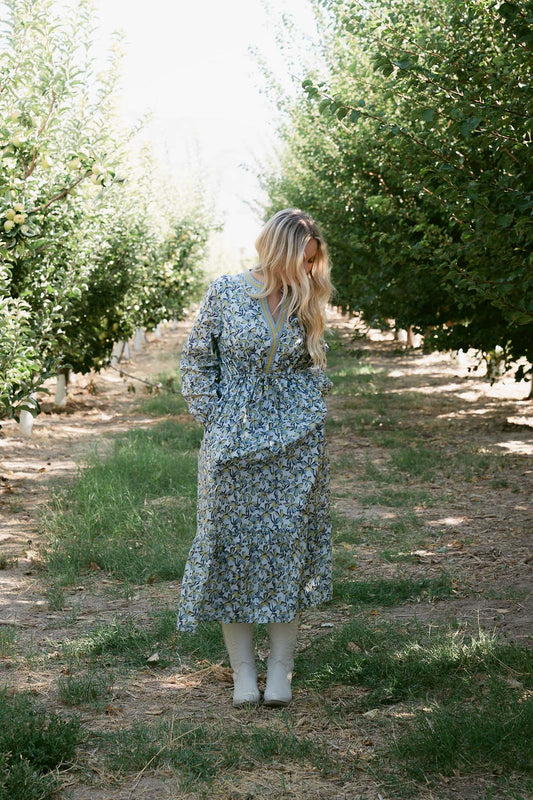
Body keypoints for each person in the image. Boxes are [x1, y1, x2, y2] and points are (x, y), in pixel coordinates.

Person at [176, 207, 334, 708]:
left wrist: (311, 410)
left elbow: (314, 367)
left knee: (286, 546)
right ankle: (243, 671)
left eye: (312, 262)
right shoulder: (226, 291)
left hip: (295, 441)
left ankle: (280, 669)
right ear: (277, 251)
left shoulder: (305, 297)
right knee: (231, 547)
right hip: (233, 442)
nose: (306, 271)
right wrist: (214, 418)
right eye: (300, 260)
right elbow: (198, 358)